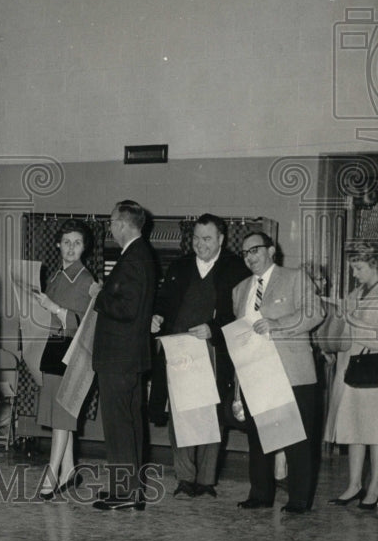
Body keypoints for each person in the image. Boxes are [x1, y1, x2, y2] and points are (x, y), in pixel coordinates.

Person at [150, 214, 248, 498]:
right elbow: (163, 300)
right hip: (179, 348)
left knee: (210, 416)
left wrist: (214, 330)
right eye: (195, 238)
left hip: (212, 351)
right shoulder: (179, 266)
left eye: (206, 239)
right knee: (181, 415)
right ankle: (184, 477)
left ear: (220, 239)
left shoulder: (235, 268)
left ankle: (206, 480)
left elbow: (241, 314)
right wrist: (156, 316)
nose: (199, 244)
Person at [233, 231, 325, 514]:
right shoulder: (239, 290)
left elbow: (315, 313)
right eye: (245, 253)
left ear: (271, 251)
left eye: (255, 250)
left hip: (291, 372)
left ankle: (299, 500)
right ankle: (260, 494)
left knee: (297, 439)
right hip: (255, 372)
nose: (250, 257)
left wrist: (277, 323)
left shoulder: (295, 277)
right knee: (259, 438)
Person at [324, 241, 378, 509]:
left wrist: (354, 319)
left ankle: (374, 489)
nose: (354, 274)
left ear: (374, 265)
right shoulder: (357, 293)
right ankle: (354, 485)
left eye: (358, 268)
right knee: (354, 429)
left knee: (376, 433)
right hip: (353, 371)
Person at [90, 200, 157, 511]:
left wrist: (99, 296)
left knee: (118, 425)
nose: (110, 228)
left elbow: (126, 309)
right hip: (131, 356)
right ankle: (131, 490)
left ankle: (125, 493)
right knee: (130, 424)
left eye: (111, 222)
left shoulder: (131, 258)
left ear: (121, 223)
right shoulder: (141, 254)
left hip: (118, 357)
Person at [33, 218, 94, 499]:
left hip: (74, 352)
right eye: (67, 242)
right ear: (58, 244)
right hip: (53, 348)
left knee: (63, 416)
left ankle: (52, 473)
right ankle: (69, 471)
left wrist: (54, 308)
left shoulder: (87, 281)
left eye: (77, 243)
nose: (71, 248)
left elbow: (82, 324)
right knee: (60, 415)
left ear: (85, 248)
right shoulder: (57, 276)